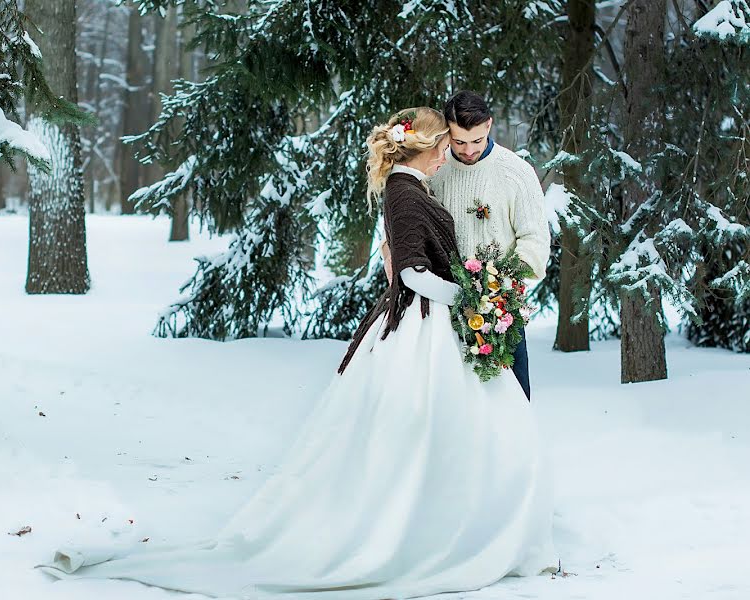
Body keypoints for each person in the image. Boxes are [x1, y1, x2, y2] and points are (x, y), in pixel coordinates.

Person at [36, 107, 558, 598]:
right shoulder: (406, 191)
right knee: (422, 426)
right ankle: (423, 529)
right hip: (424, 323)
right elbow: (411, 272)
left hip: (434, 325)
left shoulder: (419, 184)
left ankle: (458, 521)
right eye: (443, 145)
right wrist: (469, 296)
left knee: (464, 424)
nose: (449, 154)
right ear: (420, 149)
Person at [381, 91, 551, 400]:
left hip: (498, 310)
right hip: (441, 310)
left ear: (489, 125)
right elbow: (409, 223)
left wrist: (497, 286)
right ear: (446, 134)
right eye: (458, 142)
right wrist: (391, 251)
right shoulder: (434, 169)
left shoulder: (516, 172)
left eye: (477, 140)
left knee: (510, 398)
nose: (469, 150)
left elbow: (535, 243)